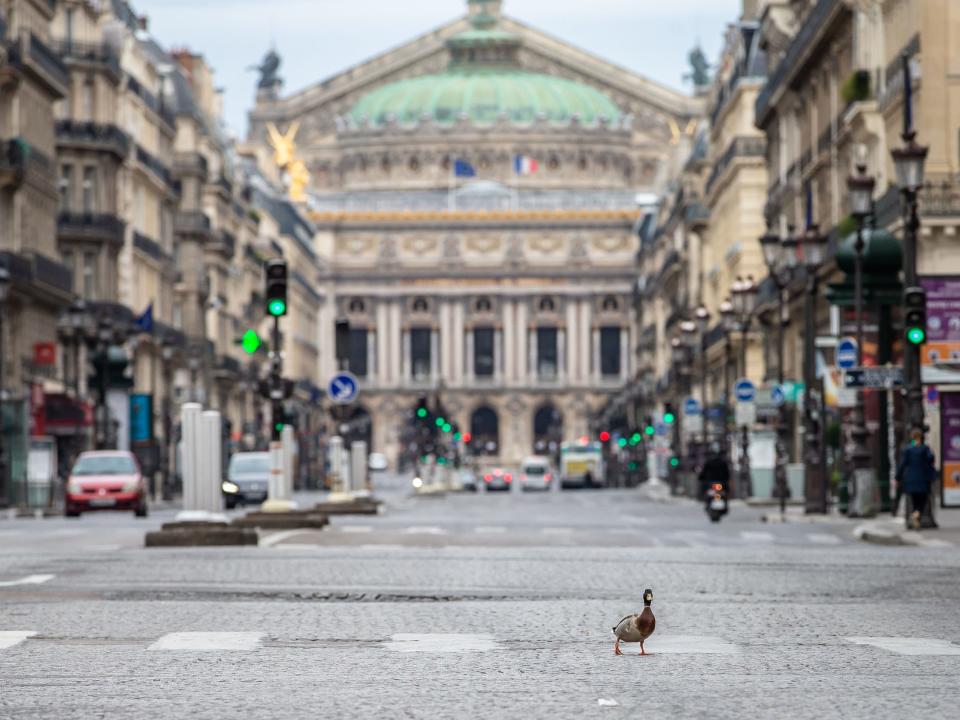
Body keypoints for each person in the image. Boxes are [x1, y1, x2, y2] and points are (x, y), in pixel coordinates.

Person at [895, 430, 937, 530]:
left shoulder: (908, 449)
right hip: (923, 480)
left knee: (914, 502)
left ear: (912, 437)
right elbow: (931, 459)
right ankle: (915, 516)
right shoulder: (925, 448)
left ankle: (915, 519)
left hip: (911, 480)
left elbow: (902, 465)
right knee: (922, 502)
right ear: (921, 437)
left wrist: (897, 478)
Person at [699, 444, 731, 510]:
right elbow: (727, 474)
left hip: (712, 483)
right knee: (725, 491)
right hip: (720, 483)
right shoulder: (723, 462)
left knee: (705, 490)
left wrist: (701, 478)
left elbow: (703, 473)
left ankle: (706, 501)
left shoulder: (709, 462)